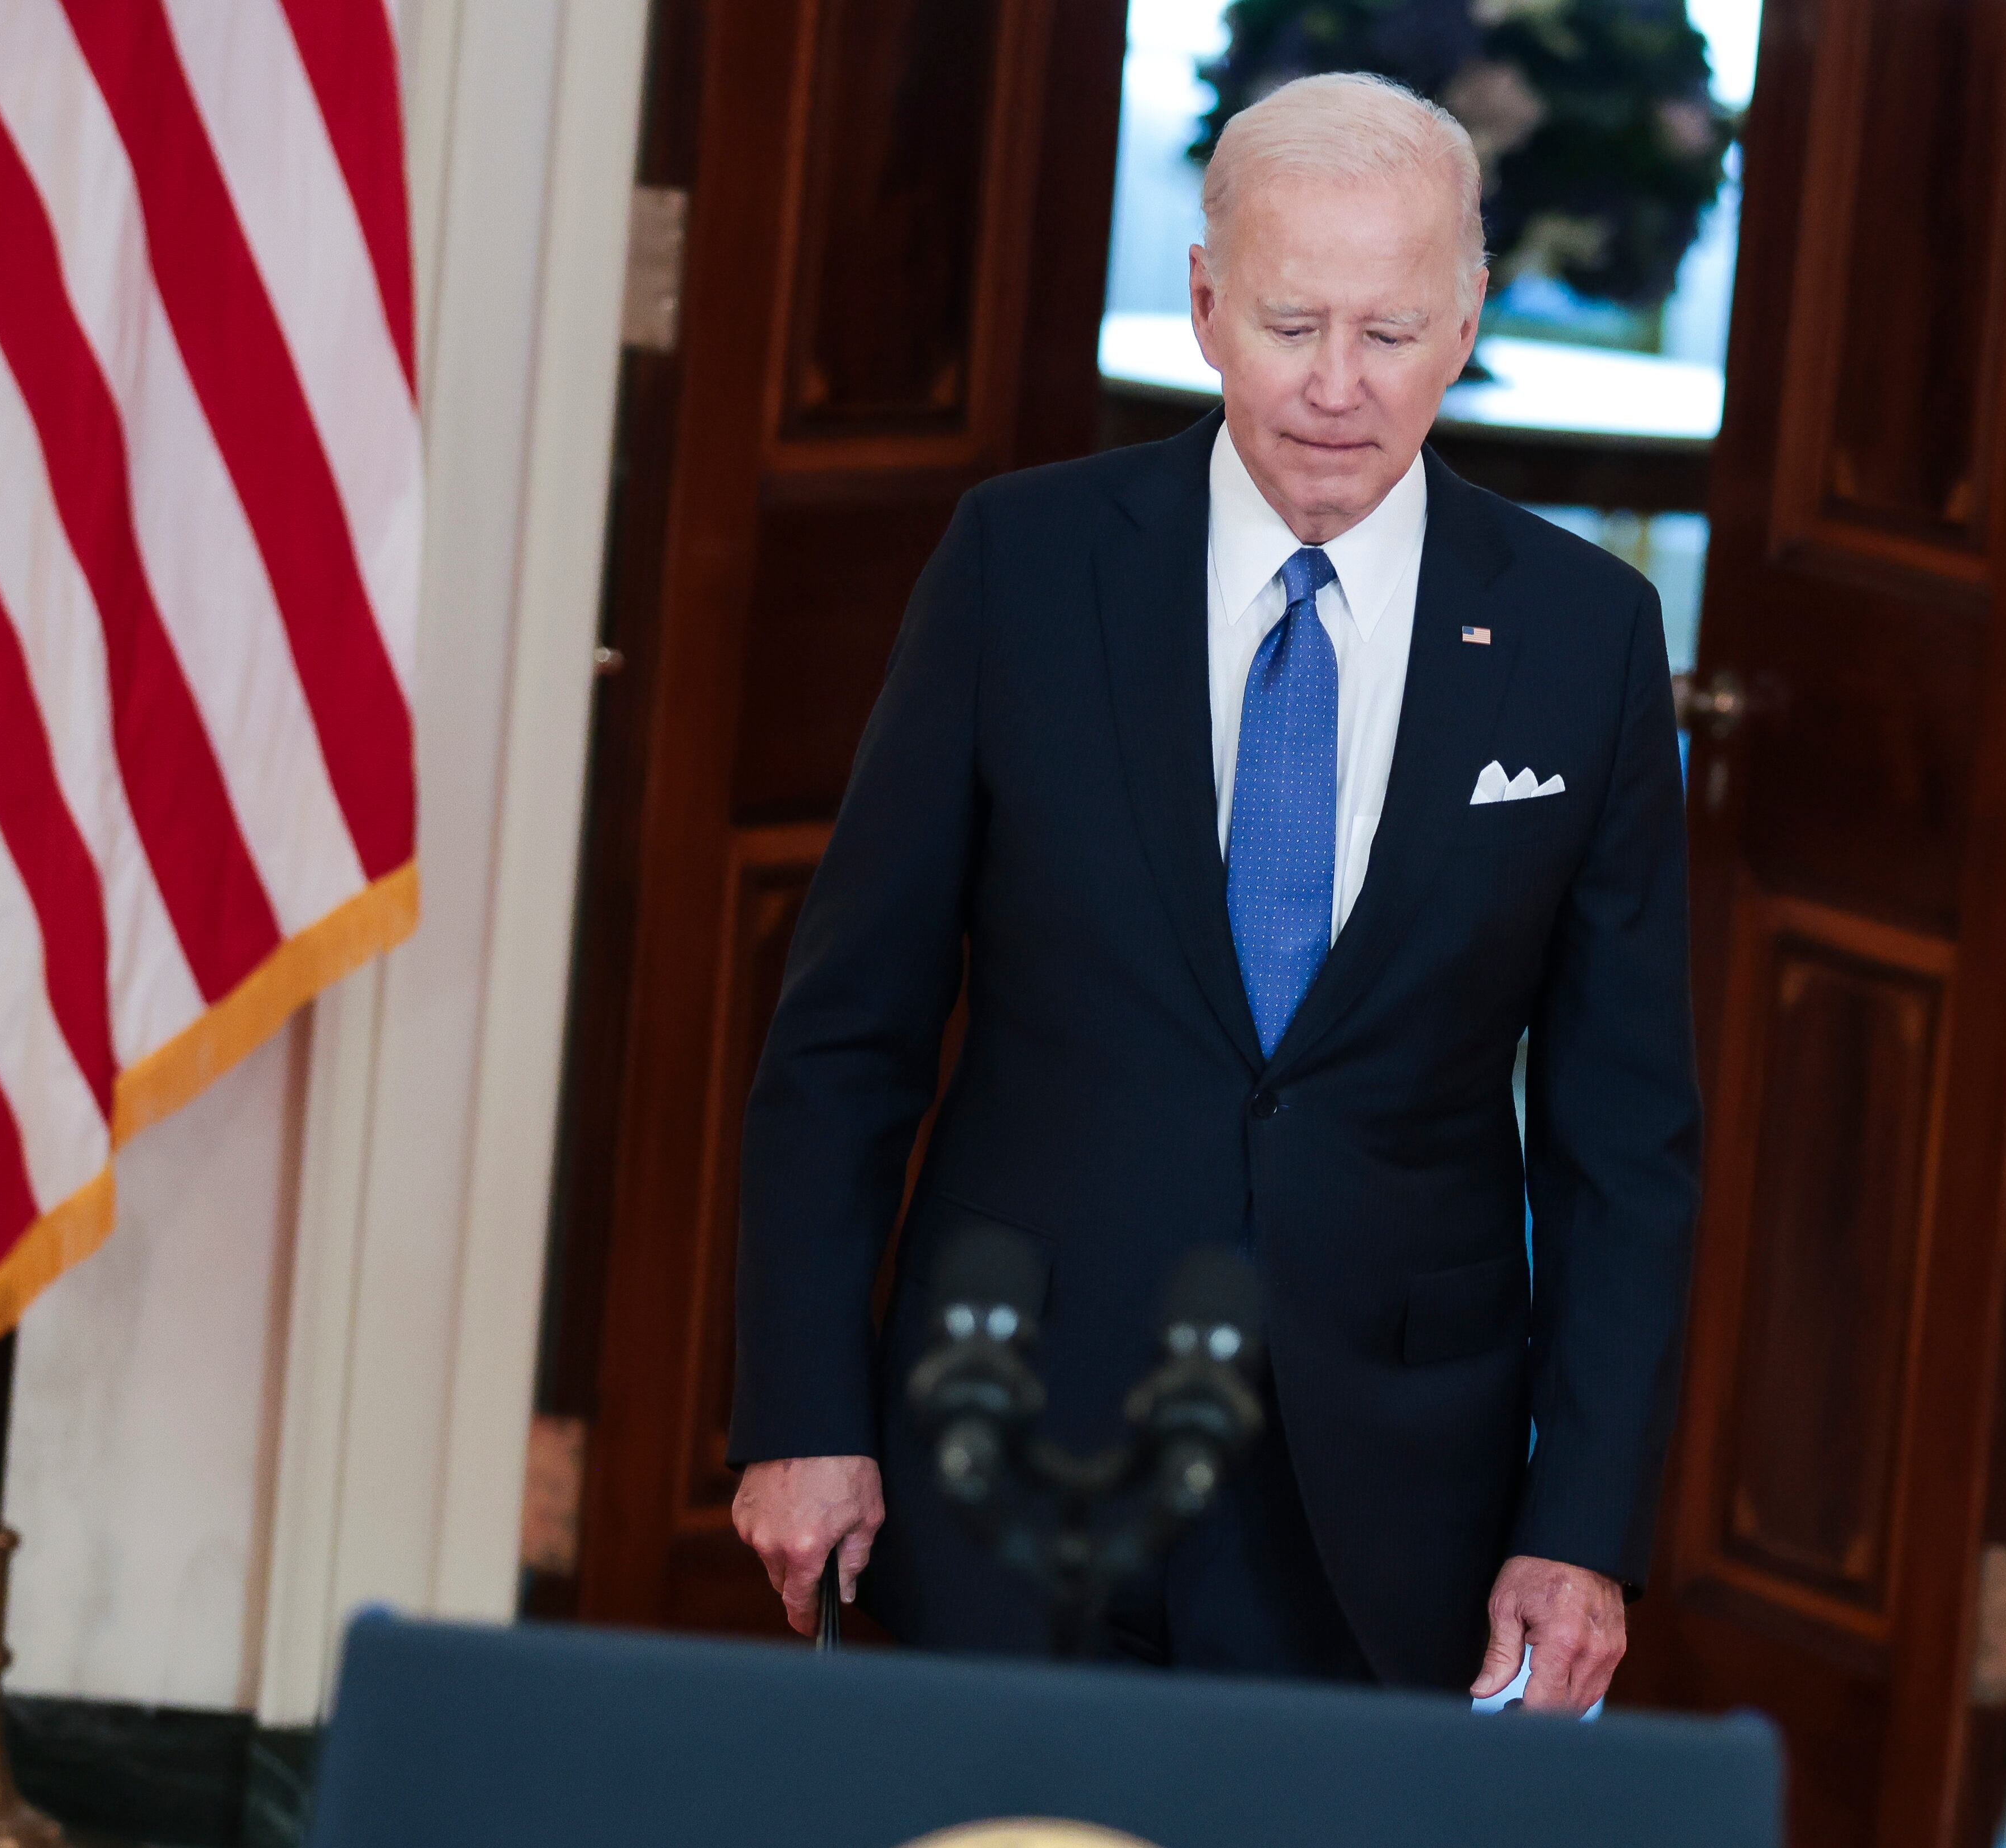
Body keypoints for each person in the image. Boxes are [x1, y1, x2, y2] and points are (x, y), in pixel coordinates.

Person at [727, 71, 1699, 1716]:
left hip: (1392, 1490)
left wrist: (1579, 1523)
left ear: (1467, 318)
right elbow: (848, 1035)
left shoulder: (1582, 636)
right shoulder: (1016, 569)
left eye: (1391, 333)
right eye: (1288, 322)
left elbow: (1623, 1138)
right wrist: (801, 1407)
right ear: (1199, 303)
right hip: (1011, 1437)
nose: (1336, 387)